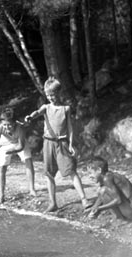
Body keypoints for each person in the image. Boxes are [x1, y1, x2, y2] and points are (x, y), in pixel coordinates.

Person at [24, 77, 90, 213]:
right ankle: (53, 203)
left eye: (52, 95)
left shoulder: (65, 109)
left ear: (59, 93)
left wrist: (71, 144)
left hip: (63, 143)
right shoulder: (46, 107)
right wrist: (29, 117)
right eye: (48, 95)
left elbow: (70, 128)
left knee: (71, 171)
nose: (50, 98)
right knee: (49, 174)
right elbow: (36, 113)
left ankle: (84, 199)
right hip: (48, 143)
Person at [0, 107, 36, 203]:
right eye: (5, 125)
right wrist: (1, 145)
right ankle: (1, 195)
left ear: (15, 123)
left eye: (9, 125)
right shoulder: (0, 128)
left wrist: (11, 152)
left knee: (28, 161)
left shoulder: (20, 128)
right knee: (2, 168)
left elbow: (21, 146)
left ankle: (32, 189)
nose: (7, 127)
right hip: (5, 143)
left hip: (18, 143)